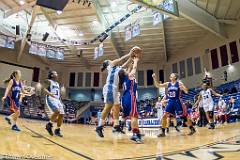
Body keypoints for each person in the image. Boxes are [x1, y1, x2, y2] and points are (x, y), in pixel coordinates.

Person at [95, 46, 139, 138]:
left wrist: (132, 59)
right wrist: (130, 53)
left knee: (117, 107)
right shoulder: (110, 66)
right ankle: (99, 126)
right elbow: (120, 59)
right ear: (108, 64)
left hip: (115, 89)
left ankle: (116, 126)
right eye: (109, 60)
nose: (111, 60)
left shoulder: (117, 69)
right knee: (108, 107)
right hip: (110, 87)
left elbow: (125, 67)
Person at [152, 73, 196, 137]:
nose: (170, 76)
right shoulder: (168, 84)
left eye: (172, 75)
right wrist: (154, 78)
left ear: (175, 77)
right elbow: (158, 85)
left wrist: (183, 88)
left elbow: (186, 91)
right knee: (164, 116)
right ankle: (163, 132)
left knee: (183, 117)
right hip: (170, 101)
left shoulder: (179, 83)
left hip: (177, 101)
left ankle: (192, 129)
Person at [119, 56, 143, 143]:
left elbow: (128, 69)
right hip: (130, 96)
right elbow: (134, 68)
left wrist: (130, 63)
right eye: (125, 70)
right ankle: (135, 135)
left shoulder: (124, 78)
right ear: (125, 73)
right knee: (134, 116)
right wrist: (136, 61)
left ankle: (120, 125)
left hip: (124, 98)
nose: (126, 70)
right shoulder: (129, 76)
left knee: (126, 115)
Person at [43, 71, 65, 137]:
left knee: (62, 114)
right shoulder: (48, 81)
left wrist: (61, 101)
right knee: (57, 111)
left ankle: (57, 130)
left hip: (57, 100)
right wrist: (49, 93)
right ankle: (49, 125)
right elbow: (44, 89)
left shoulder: (57, 84)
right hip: (51, 98)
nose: (57, 74)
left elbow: (58, 94)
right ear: (52, 75)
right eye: (55, 73)